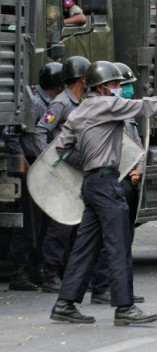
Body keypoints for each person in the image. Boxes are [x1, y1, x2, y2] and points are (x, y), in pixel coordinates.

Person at [50, 61, 157, 326]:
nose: (118, 89)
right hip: (106, 183)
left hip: (91, 184)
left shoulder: (79, 112)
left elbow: (60, 149)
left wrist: (89, 162)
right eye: (115, 85)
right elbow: (147, 105)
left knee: (85, 246)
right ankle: (125, 308)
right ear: (102, 88)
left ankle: (65, 303)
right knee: (119, 244)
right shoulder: (107, 105)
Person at [33, 55, 90, 293]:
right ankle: (49, 272)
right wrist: (47, 162)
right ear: (83, 79)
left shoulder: (80, 102)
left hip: (76, 169)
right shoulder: (61, 104)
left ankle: (69, 272)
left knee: (76, 223)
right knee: (60, 225)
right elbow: (39, 131)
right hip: (61, 171)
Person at [88, 62, 144, 305]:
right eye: (117, 85)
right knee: (108, 239)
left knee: (124, 236)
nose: (123, 90)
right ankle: (102, 288)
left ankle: (120, 290)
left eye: (126, 86)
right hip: (111, 180)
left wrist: (138, 169)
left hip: (129, 181)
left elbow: (136, 146)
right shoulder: (102, 112)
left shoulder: (126, 113)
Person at [4, 63, 64, 291]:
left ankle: (36, 267)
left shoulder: (50, 103)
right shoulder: (35, 103)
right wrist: (25, 164)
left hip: (43, 166)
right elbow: (12, 134)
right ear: (59, 85)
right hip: (33, 165)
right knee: (30, 221)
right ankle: (19, 271)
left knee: (44, 221)